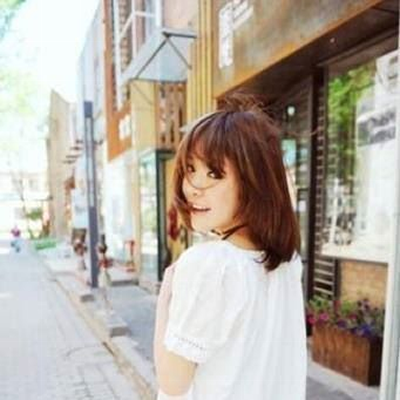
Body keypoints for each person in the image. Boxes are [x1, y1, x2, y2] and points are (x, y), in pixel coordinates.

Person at [153, 94, 307, 400]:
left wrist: (164, 301)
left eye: (214, 173)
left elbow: (173, 383)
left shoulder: (210, 265)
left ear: (253, 182)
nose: (193, 187)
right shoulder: (287, 262)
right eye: (189, 169)